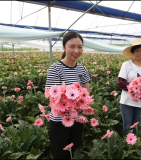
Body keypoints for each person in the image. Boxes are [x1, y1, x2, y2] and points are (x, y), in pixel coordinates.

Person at [45, 31, 91, 159]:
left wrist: (82, 100)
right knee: (60, 154)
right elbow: (51, 95)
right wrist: (70, 100)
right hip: (59, 121)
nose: (76, 50)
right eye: (72, 46)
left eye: (80, 47)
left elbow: (87, 91)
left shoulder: (82, 69)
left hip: (77, 119)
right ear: (64, 47)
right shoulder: (55, 68)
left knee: (74, 151)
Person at [117, 38, 141, 135]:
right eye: (137, 50)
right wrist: (136, 88)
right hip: (127, 102)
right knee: (127, 127)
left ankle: (133, 147)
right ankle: (126, 148)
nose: (140, 53)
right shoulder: (127, 65)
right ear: (133, 52)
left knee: (136, 127)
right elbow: (120, 83)